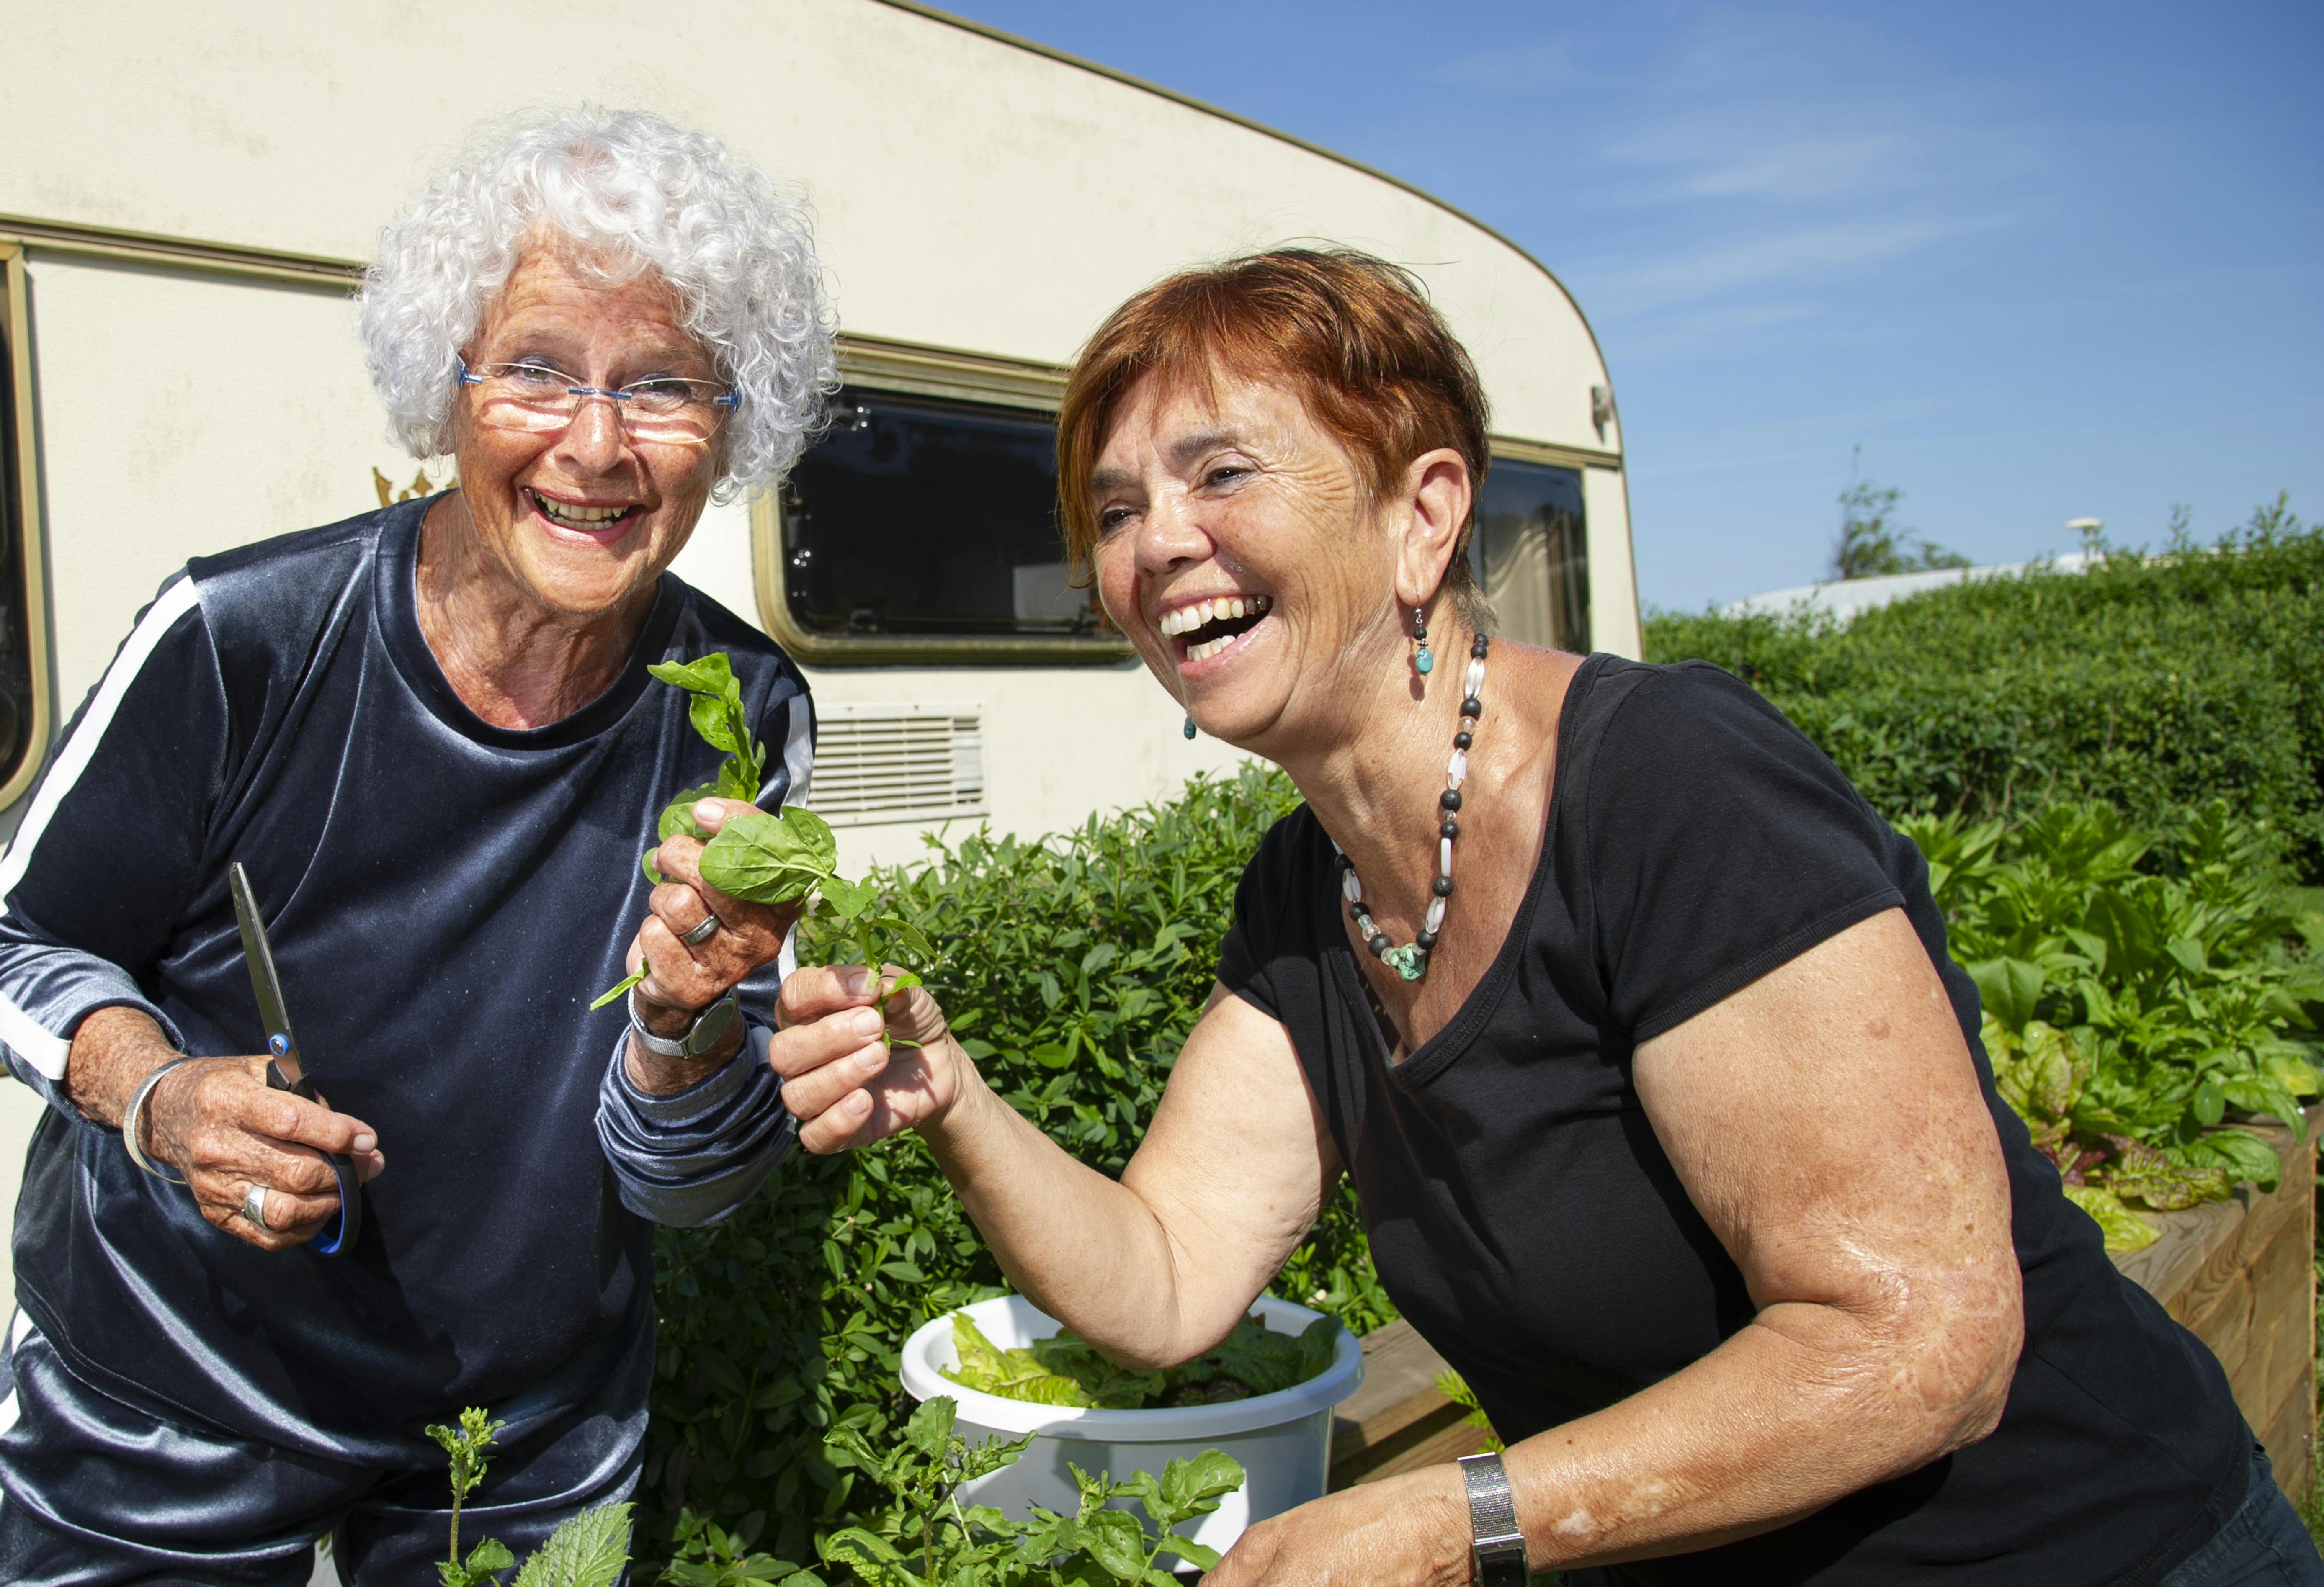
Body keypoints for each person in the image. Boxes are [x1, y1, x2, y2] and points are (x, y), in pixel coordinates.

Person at [767, 250, 2321, 1586]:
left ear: (1420, 513)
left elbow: (1917, 1343)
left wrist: (1445, 1525)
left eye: (1220, 473)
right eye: (1114, 509)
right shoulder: (1306, 895)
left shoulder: (1665, 788)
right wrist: (949, 1093)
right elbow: (1167, 1278)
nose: (1153, 542)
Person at [0, 108, 835, 1584]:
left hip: (523, 1427)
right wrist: (163, 1095)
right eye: (539, 368)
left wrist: (682, 1034)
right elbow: (14, 943)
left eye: (666, 386)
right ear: (448, 385)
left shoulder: (744, 709)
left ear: (732, 428)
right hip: (166, 1402)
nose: (599, 444)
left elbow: (684, 1182)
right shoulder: (242, 638)